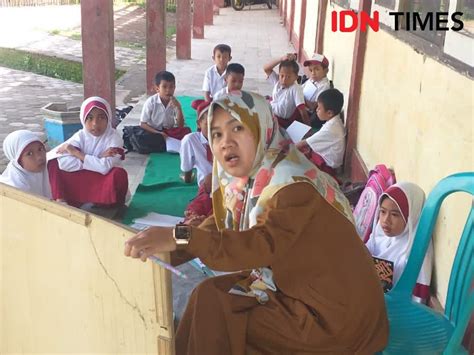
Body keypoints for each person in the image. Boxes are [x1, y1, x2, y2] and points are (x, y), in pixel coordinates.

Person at [124, 92, 388, 354]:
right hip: (295, 285)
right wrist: (163, 251)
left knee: (220, 318)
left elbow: (258, 245)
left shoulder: (291, 185)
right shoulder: (256, 175)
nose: (225, 143)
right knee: (208, 296)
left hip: (333, 316)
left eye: (237, 129)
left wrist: (181, 236)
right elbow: (220, 225)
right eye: (216, 134)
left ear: (261, 128)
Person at [47, 96, 128, 208]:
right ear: (83, 119)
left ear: (108, 119)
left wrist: (76, 153)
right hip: (87, 177)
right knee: (54, 162)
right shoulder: (81, 135)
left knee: (119, 174)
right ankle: (61, 200)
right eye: (89, 118)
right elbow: (63, 161)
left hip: (101, 180)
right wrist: (98, 158)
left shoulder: (114, 138)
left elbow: (104, 168)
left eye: (101, 117)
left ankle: (109, 205)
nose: (95, 123)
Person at [366, 182, 433, 303]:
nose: (386, 220)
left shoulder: (417, 249)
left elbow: (418, 299)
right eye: (382, 212)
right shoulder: (378, 235)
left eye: (395, 214)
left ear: (411, 216)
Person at [296, 89, 345, 180]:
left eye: (319, 108)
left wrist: (289, 149)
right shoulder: (335, 121)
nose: (316, 110)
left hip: (328, 167)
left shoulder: (330, 128)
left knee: (299, 159)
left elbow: (303, 143)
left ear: (329, 113)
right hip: (331, 163)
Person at [180, 99, 213, 226]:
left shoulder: (225, 140)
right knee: (198, 208)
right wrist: (188, 179)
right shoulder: (190, 140)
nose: (213, 129)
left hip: (227, 185)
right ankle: (183, 236)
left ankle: (206, 226)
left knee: (217, 213)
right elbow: (186, 169)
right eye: (208, 124)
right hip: (206, 188)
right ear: (199, 123)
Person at [140, 70, 191, 141]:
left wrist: (178, 108)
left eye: (171, 87)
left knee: (187, 133)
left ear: (174, 88)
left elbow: (180, 126)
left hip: (168, 132)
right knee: (144, 138)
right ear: (157, 89)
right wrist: (158, 133)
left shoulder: (175, 103)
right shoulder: (151, 102)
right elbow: (143, 124)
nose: (168, 90)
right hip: (154, 131)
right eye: (164, 87)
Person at [263, 53, 310, 128]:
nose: (284, 80)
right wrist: (281, 59)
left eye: (288, 77)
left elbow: (302, 111)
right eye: (282, 76)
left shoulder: (296, 89)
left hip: (280, 121)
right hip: (270, 112)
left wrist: (308, 128)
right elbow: (266, 68)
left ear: (296, 77)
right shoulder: (277, 81)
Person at [0, 130, 51, 198]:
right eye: (29, 154)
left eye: (40, 149)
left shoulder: (45, 170)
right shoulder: (15, 190)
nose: (39, 157)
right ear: (18, 160)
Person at [302, 53, 331, 129]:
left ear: (326, 71)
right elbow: (300, 89)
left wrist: (300, 97)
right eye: (310, 70)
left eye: (317, 69)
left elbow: (314, 106)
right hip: (301, 104)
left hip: (308, 112)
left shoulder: (324, 86)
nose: (313, 73)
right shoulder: (311, 80)